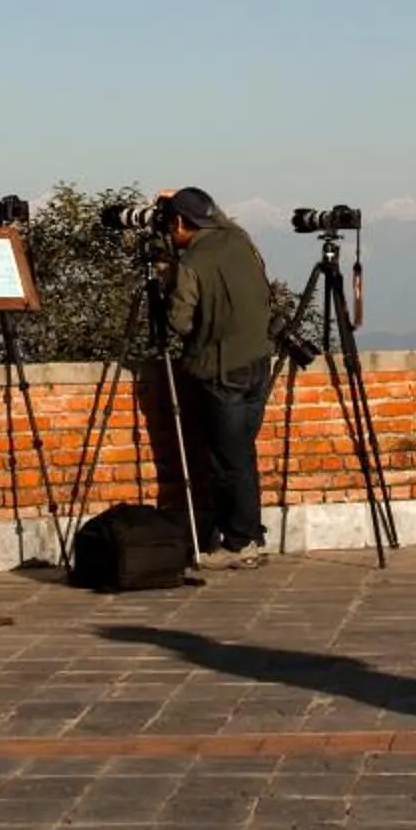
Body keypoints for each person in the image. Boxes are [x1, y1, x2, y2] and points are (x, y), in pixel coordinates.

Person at [162, 188, 277, 569]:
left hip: (219, 370)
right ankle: (243, 534)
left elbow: (179, 322)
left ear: (180, 223)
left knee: (230, 461)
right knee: (241, 453)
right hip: (258, 364)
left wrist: (167, 282)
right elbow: (220, 219)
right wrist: (185, 198)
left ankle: (241, 542)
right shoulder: (239, 240)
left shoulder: (193, 262)